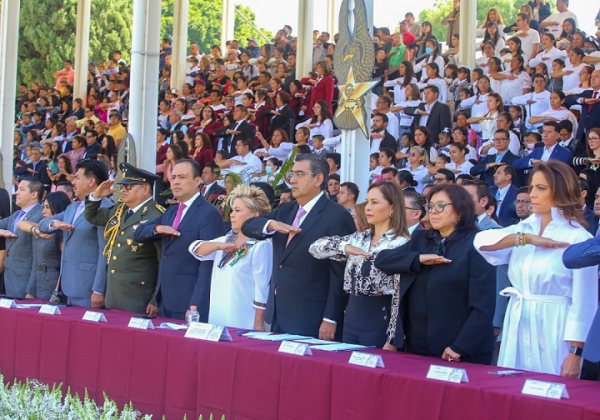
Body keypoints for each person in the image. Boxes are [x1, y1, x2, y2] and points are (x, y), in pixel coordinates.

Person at [474, 161, 597, 376]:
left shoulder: (578, 237)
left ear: (560, 190)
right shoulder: (524, 228)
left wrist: (575, 353)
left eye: (541, 188)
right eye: (531, 187)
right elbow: (481, 241)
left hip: (554, 326)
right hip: (518, 321)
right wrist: (527, 239)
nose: (532, 194)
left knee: (550, 393)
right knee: (513, 391)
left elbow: (584, 302)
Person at [374, 183, 496, 364]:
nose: (433, 211)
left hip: (456, 349)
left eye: (440, 206)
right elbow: (382, 260)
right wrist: (418, 259)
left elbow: (483, 307)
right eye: (430, 207)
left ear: (460, 210)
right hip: (416, 344)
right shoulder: (421, 239)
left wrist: (460, 346)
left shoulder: (477, 244)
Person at [241, 154, 356, 340]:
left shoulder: (336, 216)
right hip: (279, 311)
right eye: (292, 174)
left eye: (300, 174)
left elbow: (340, 274)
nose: (292, 180)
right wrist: (271, 225)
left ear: (318, 179)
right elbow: (248, 226)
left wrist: (331, 318)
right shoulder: (287, 210)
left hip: (312, 315)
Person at [309, 182, 410, 348]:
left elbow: (399, 298)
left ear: (392, 208)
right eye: (367, 201)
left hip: (379, 320)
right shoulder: (358, 238)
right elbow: (315, 248)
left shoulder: (402, 243)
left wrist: (392, 339)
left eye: (375, 202)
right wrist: (344, 247)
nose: (367, 207)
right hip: (351, 317)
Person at [134, 159, 223, 321]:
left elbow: (207, 265)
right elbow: (139, 233)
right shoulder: (171, 212)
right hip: (165, 301)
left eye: (181, 177)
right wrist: (157, 228)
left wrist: (195, 306)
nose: (175, 182)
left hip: (188, 301)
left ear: (197, 181)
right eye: (173, 177)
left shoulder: (208, 214)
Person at [84, 163, 164, 315]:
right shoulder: (120, 210)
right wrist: (96, 196)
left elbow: (163, 261)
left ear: (145, 189)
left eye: (129, 187)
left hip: (138, 296)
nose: (123, 191)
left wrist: (156, 298)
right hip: (114, 294)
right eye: (122, 187)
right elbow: (92, 216)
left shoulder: (157, 215)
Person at [189, 185, 272, 330]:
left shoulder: (261, 245)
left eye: (238, 210)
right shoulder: (225, 240)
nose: (232, 215)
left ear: (255, 214)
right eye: (232, 210)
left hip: (244, 320)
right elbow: (195, 249)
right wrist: (219, 246)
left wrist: (258, 323)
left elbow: (262, 289)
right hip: (217, 317)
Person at [37, 160, 111, 307]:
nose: (73, 182)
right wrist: (55, 223)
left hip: (88, 288)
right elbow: (42, 224)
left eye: (77, 178)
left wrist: (98, 289)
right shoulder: (73, 208)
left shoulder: (106, 208)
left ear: (91, 181)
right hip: (68, 285)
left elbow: (105, 252)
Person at [16, 192, 71, 300]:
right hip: (39, 281)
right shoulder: (42, 229)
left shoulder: (61, 232)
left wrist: (56, 291)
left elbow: (65, 263)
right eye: (43, 207)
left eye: (47, 207)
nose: (43, 211)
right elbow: (36, 261)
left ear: (57, 207)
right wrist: (30, 291)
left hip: (53, 282)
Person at [0, 178, 44, 298]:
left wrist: (31, 289)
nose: (16, 193)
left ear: (34, 194)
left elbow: (38, 257)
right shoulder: (16, 215)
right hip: (9, 281)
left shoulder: (40, 215)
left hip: (26, 283)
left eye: (21, 189)